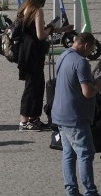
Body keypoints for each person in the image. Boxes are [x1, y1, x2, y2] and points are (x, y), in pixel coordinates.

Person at [17, 0, 72, 131]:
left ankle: (29, 119)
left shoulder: (24, 7)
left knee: (31, 86)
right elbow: (41, 35)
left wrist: (60, 29)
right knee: (35, 86)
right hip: (34, 53)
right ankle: (28, 120)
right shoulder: (37, 10)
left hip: (25, 52)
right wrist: (52, 27)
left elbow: (35, 31)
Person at [52, 32, 101, 196]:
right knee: (86, 153)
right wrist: (99, 84)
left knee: (68, 153)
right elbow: (87, 92)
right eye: (91, 49)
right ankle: (90, 191)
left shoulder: (64, 55)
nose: (90, 53)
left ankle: (71, 190)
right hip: (75, 117)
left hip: (60, 115)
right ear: (86, 45)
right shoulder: (81, 63)